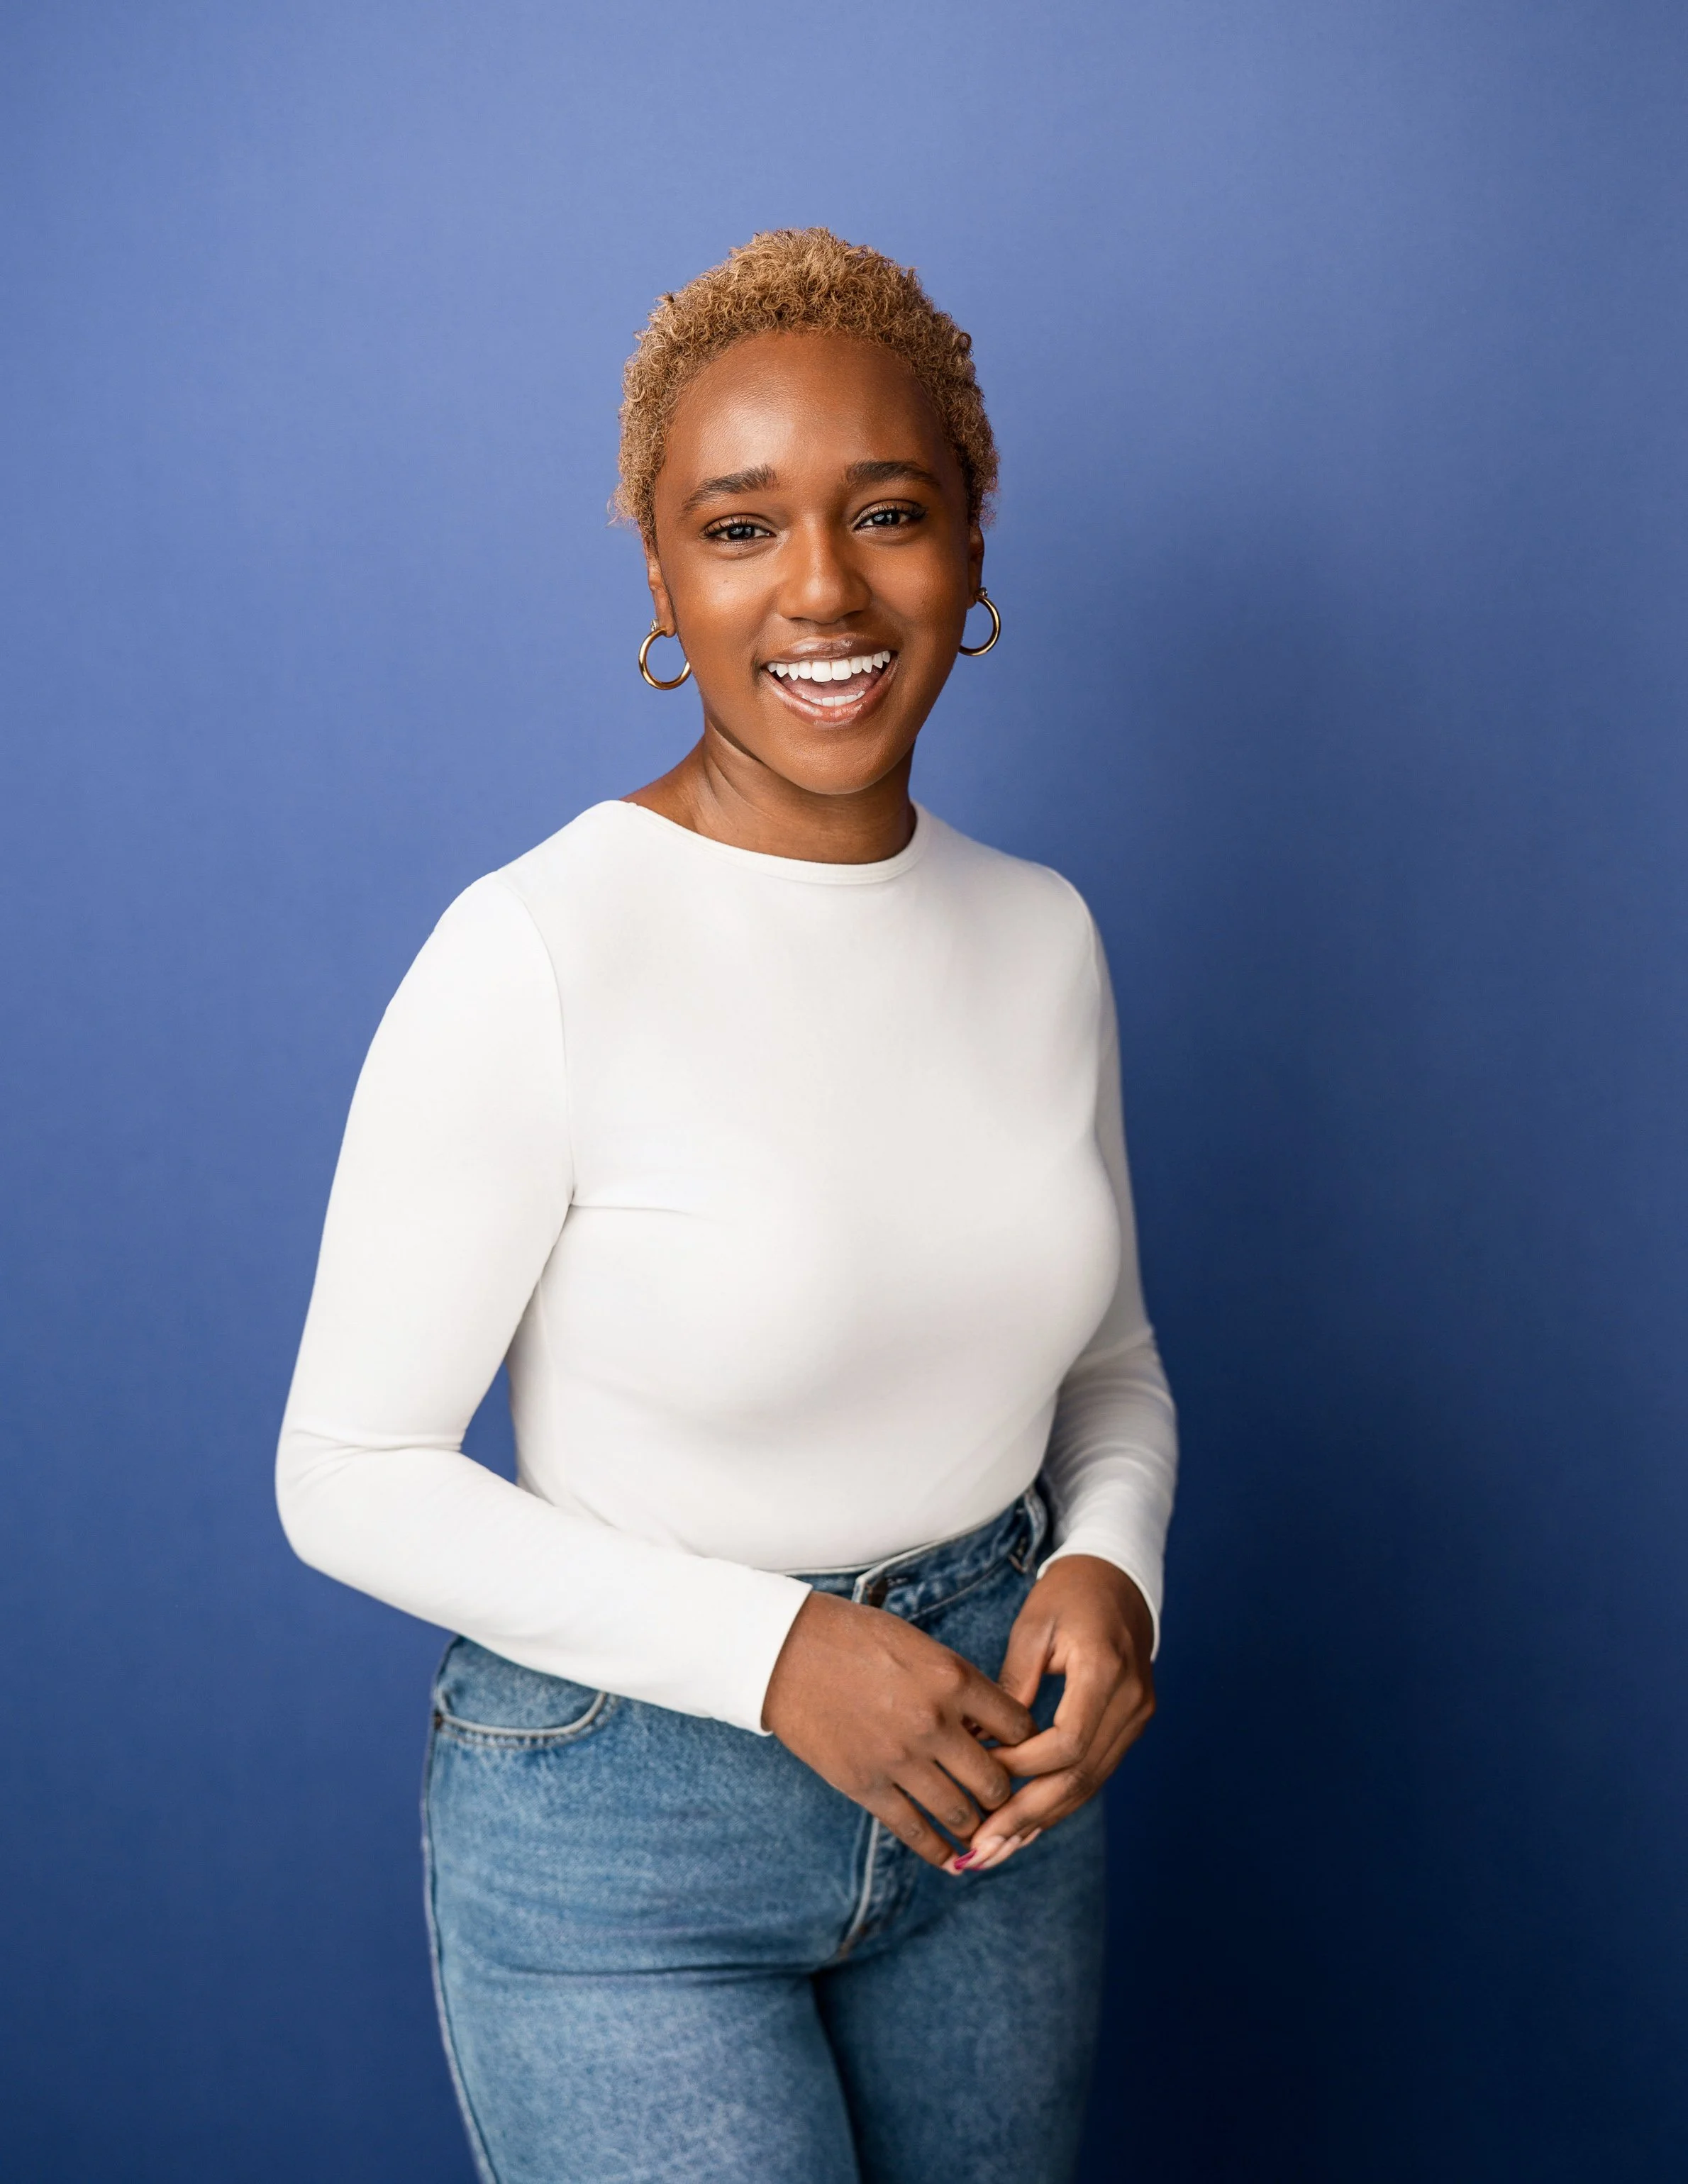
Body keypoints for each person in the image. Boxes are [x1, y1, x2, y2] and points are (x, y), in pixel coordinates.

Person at [277, 228, 1177, 2184]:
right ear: (661, 580)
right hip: (629, 1828)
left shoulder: (1040, 935)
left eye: (887, 513)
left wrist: (1110, 1570)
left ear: (969, 544)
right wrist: (773, 1654)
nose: (826, 592)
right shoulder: (533, 949)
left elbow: (1104, 1360)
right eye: (740, 528)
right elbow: (343, 1468)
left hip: (994, 1795)